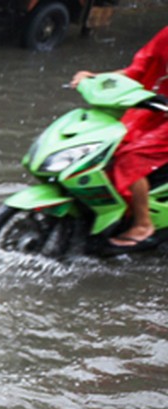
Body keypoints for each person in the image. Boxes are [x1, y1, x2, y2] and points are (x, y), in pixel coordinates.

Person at [70, 25, 168, 252]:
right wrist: (95, 78)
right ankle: (113, 212)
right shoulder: (165, 36)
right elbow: (137, 71)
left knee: (131, 156)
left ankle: (143, 224)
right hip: (154, 110)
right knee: (107, 147)